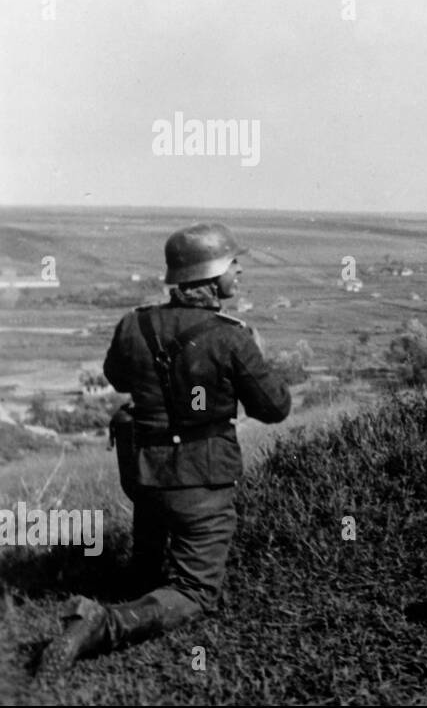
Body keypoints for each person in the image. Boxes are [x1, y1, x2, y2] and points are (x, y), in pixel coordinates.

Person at [39, 222, 291, 673]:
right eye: (234, 263)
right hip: (200, 477)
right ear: (211, 276)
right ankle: (101, 624)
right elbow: (274, 409)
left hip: (141, 471)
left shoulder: (134, 323)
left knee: (152, 530)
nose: (239, 272)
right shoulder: (231, 335)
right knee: (195, 592)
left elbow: (118, 379)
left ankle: (139, 581)